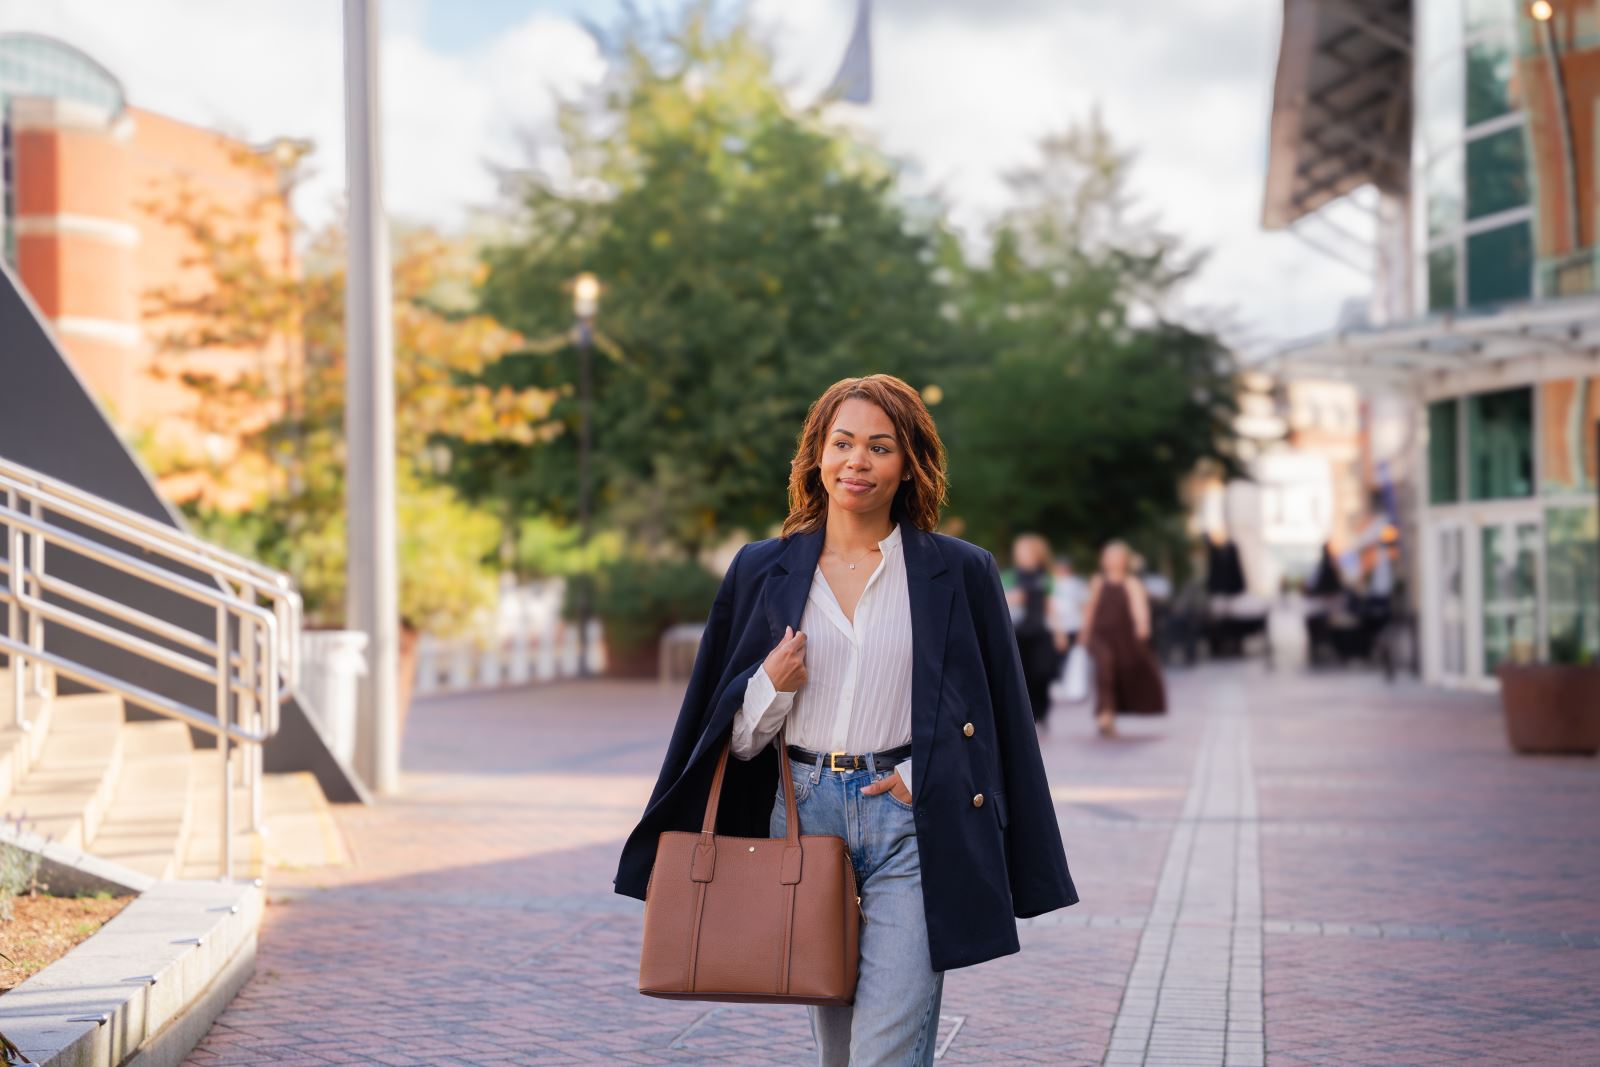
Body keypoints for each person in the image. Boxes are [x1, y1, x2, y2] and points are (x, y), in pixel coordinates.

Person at [615, 374, 1077, 1066]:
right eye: (843, 443)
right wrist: (769, 686)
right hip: (799, 822)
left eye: (880, 446)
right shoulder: (759, 570)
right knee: (838, 1047)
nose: (857, 462)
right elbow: (731, 742)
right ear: (817, 455)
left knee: (884, 1047)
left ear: (909, 462)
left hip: (909, 823)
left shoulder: (961, 571)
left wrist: (922, 774)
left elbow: (997, 712)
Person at [1081, 540, 1167, 738]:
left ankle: (1109, 713)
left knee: (1118, 672)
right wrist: (1084, 634)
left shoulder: (1132, 583)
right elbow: (1090, 609)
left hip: (1123, 637)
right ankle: (1104, 716)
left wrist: (1142, 626)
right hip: (1100, 636)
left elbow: (1139, 608)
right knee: (1104, 668)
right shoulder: (1098, 582)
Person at [1005, 534, 1061, 730]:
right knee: (1024, 675)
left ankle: (1043, 710)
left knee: (1042, 673)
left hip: (1040, 631)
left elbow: (1051, 606)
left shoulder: (1045, 578)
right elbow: (1001, 600)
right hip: (1017, 632)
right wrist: (1014, 597)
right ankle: (1029, 714)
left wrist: (1058, 631)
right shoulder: (1011, 576)